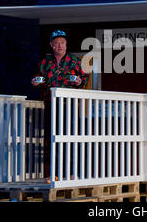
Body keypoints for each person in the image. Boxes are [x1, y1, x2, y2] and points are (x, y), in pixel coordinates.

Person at [32, 30, 88, 181]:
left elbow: (84, 79)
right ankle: (52, 173)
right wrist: (36, 82)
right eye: (56, 43)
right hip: (51, 104)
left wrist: (79, 82)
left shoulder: (74, 61)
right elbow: (40, 79)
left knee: (68, 138)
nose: (59, 46)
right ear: (51, 45)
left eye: (62, 43)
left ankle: (70, 172)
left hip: (68, 105)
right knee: (51, 138)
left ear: (66, 44)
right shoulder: (45, 62)